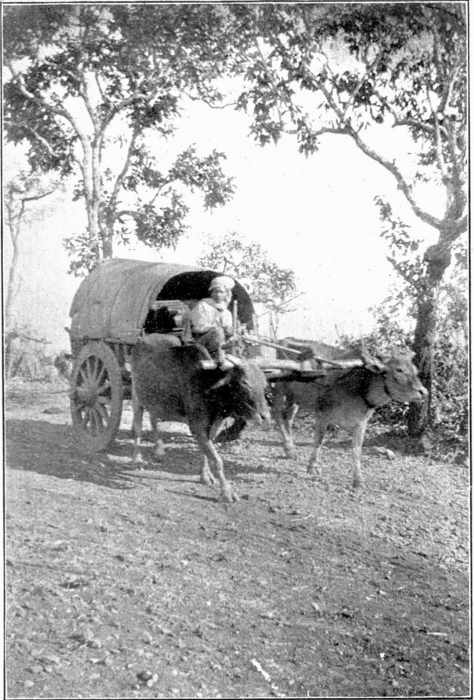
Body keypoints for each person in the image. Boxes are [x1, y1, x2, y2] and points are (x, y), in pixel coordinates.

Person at [185, 275, 235, 365]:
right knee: (218, 331)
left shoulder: (227, 312)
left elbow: (228, 331)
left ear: (226, 294)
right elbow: (197, 328)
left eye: (221, 292)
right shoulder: (203, 306)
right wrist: (214, 328)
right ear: (211, 293)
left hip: (221, 343)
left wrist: (229, 331)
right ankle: (219, 358)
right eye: (215, 292)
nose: (218, 295)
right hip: (202, 340)